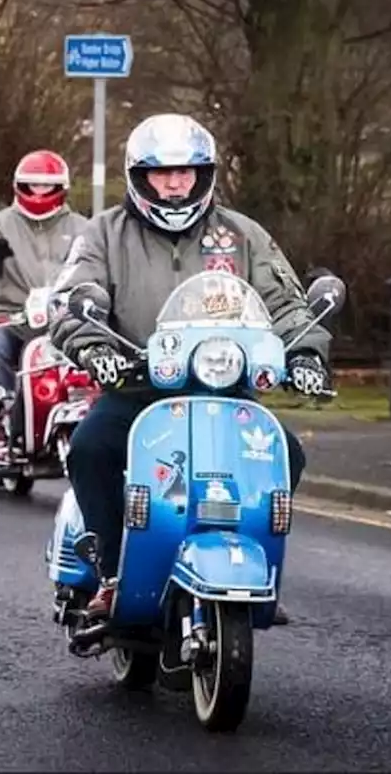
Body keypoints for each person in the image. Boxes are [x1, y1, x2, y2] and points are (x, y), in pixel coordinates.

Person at [50, 113, 332, 627]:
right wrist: (96, 350)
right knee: (91, 448)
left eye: (187, 172)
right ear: (140, 176)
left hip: (225, 388)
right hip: (138, 386)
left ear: (205, 175)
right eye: (163, 173)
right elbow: (71, 298)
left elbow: (287, 303)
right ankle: (113, 575)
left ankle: (251, 563)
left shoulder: (241, 235)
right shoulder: (104, 234)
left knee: (284, 451)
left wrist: (307, 352)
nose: (176, 183)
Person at [0, 150, 86, 455]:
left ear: (62, 188)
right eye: (33, 185)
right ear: (20, 186)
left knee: (93, 352)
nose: (40, 192)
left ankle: (86, 412)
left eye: (47, 186)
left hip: (62, 317)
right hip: (10, 316)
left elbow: (99, 263)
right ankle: (5, 408)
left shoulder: (81, 227)